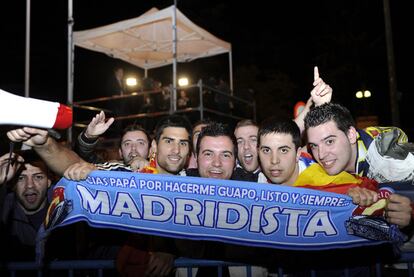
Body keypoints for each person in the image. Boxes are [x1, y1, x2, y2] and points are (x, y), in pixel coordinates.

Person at [304, 102, 414, 184]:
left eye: (329, 142)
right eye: (314, 146)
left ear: (351, 135)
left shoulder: (388, 164)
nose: (321, 155)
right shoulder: (343, 149)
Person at [0, 150, 54, 261]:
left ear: (49, 181)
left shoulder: (63, 206)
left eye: (38, 177)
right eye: (21, 178)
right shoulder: (4, 209)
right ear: (12, 184)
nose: (29, 185)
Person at [75, 111, 150, 166]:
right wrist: (89, 138)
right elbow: (85, 157)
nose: (133, 148)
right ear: (120, 153)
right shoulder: (110, 171)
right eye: (127, 144)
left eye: (140, 143)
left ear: (150, 151)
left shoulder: (160, 174)